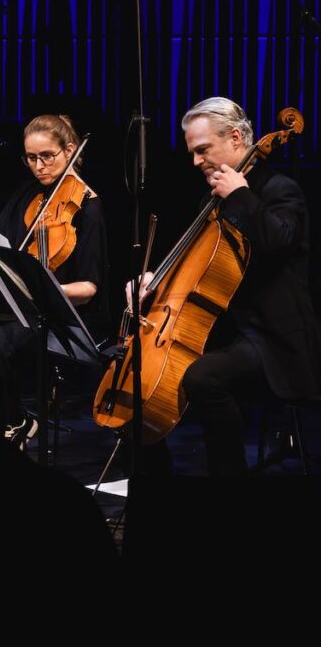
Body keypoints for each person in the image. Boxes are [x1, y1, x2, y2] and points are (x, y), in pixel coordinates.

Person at [127, 97, 321, 476]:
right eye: (193, 152)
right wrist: (154, 279)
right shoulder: (212, 198)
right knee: (138, 375)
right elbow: (196, 265)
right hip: (227, 331)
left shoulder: (279, 189)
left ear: (235, 137)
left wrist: (241, 195)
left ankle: (229, 488)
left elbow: (279, 241)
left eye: (203, 150)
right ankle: (157, 485)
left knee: (203, 378)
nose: (196, 161)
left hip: (273, 339)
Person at [0, 114, 109, 445]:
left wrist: (39, 290)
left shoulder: (87, 205)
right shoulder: (27, 194)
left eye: (47, 156)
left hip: (60, 314)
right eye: (31, 158)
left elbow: (88, 288)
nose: (39, 166)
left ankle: (16, 419)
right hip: (22, 304)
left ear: (70, 150)